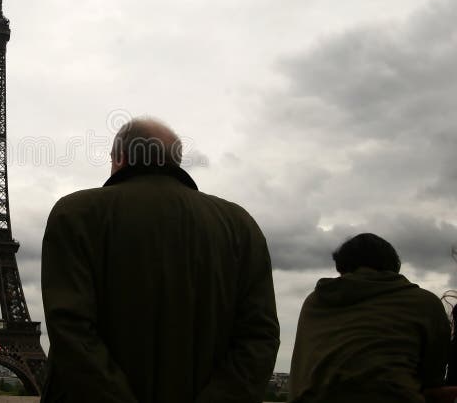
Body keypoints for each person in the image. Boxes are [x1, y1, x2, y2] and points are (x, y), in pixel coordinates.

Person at [40, 116, 280, 402]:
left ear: (120, 157)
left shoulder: (75, 214)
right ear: (174, 161)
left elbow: (70, 330)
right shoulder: (241, 225)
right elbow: (260, 336)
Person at [288, 233, 450, 403]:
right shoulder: (424, 303)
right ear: (393, 267)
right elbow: (432, 379)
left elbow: (301, 370)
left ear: (342, 268)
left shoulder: (316, 300)